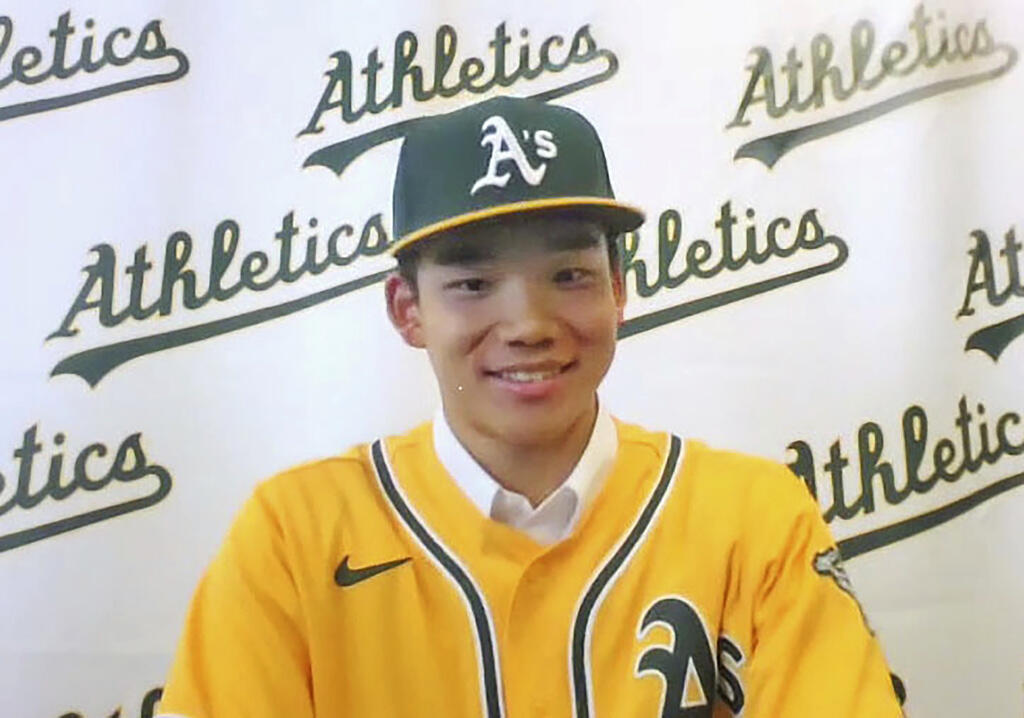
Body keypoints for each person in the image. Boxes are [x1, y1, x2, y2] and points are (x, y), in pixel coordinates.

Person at [156, 96, 905, 717]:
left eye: (570, 275)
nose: (528, 325)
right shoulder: (296, 535)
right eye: (473, 284)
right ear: (407, 309)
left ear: (619, 290)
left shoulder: (753, 516)